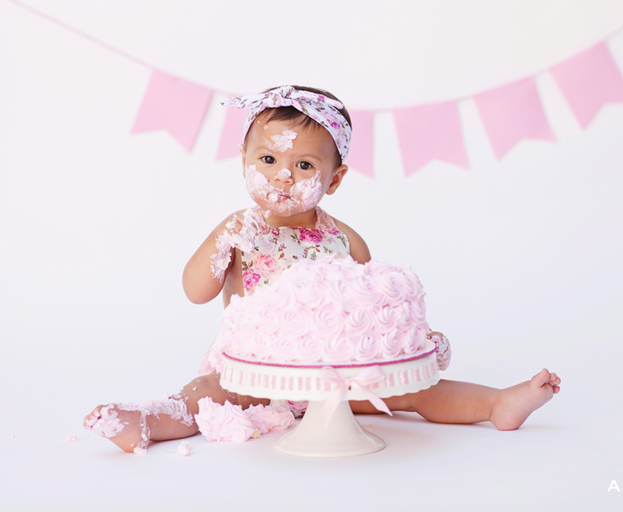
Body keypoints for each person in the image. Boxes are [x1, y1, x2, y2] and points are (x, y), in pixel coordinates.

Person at [83, 85, 561, 454]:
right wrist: (219, 242)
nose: (282, 175)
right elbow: (195, 291)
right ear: (244, 162)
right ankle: (144, 421)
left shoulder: (345, 240)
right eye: (267, 159)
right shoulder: (239, 230)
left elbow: (374, 312)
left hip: (334, 378)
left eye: (304, 164)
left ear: (334, 179)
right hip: (255, 374)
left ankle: (497, 403)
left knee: (416, 393)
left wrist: (416, 344)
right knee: (204, 394)